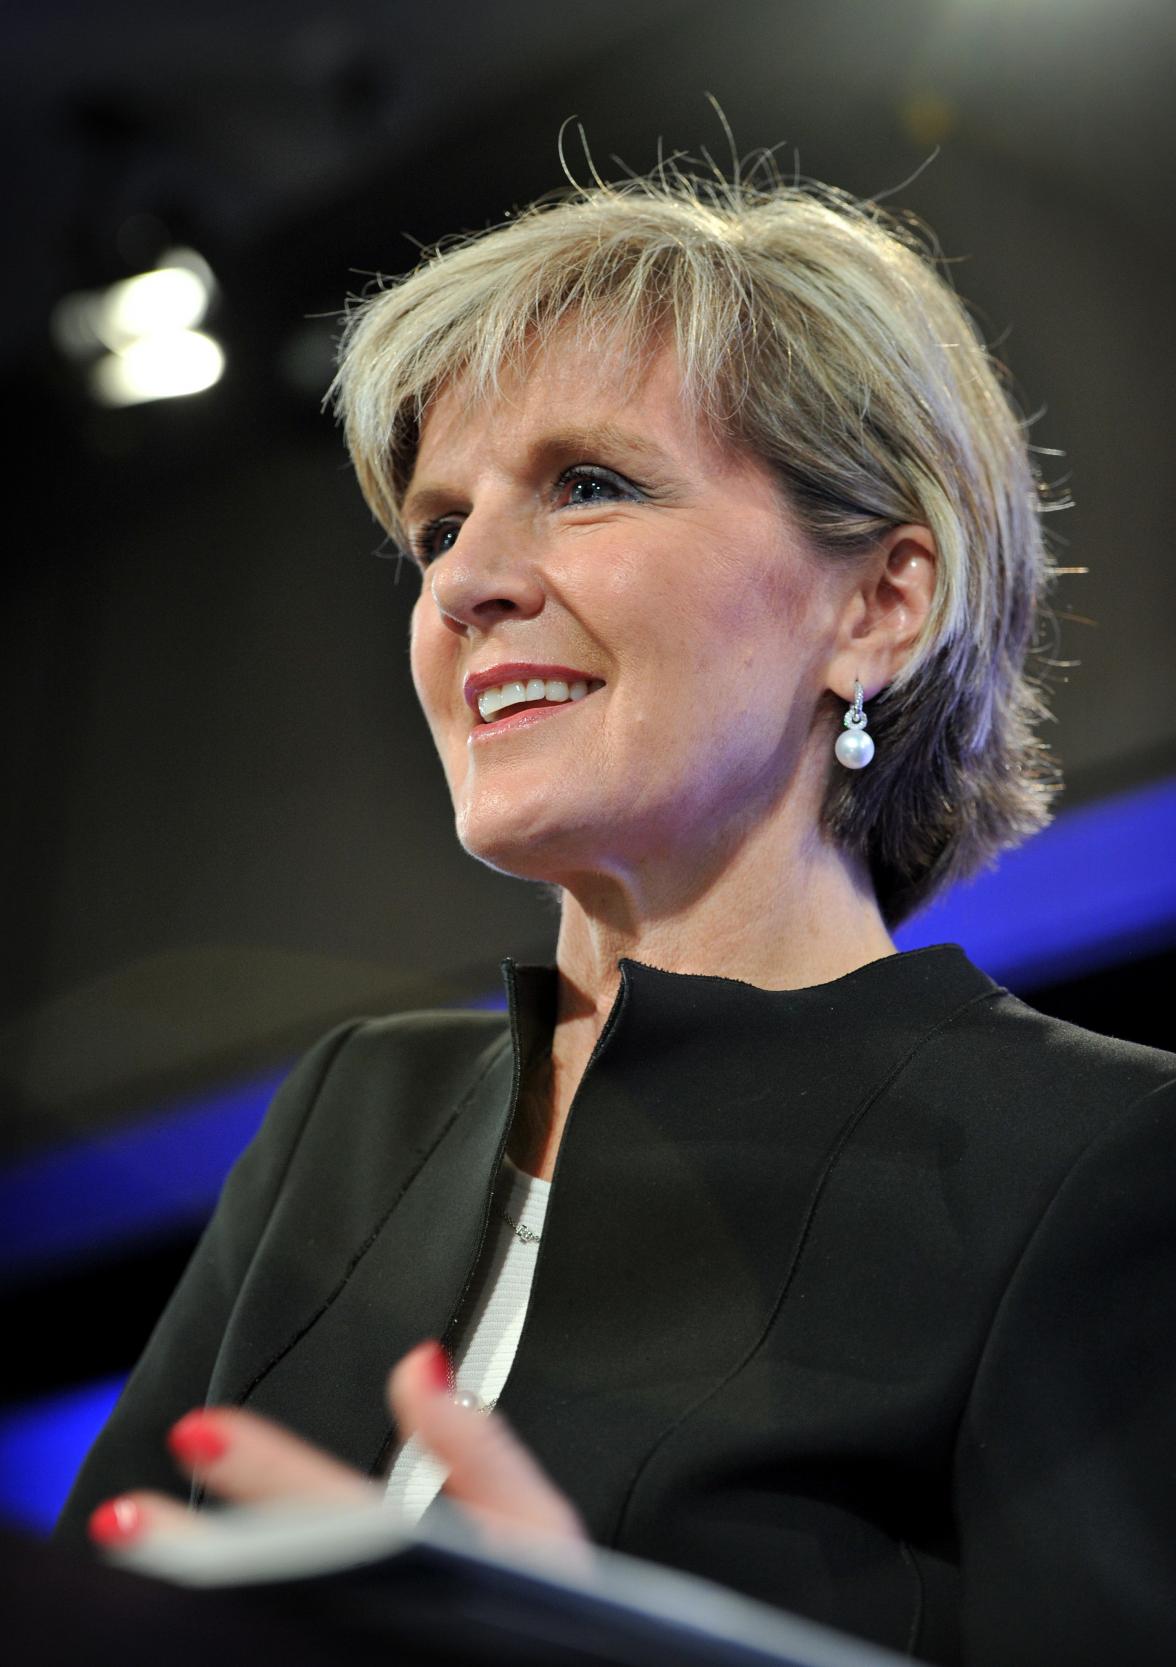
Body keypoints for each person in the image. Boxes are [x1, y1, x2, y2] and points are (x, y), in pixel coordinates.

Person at [57, 168, 1176, 1665]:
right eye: (439, 524)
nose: (467, 582)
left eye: (589, 483)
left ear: (878, 605)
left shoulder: (1097, 1161)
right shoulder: (351, 1119)